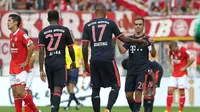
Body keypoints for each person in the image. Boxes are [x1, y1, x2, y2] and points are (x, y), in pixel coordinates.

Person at [82, 3, 148, 112]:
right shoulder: (110, 23)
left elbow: (84, 47)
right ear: (104, 13)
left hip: (94, 60)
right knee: (116, 85)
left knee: (95, 88)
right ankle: (108, 109)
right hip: (107, 58)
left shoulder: (87, 25)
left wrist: (85, 64)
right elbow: (125, 40)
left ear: (95, 13)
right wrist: (138, 41)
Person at [38, 10, 76, 112]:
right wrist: (73, 61)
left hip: (48, 62)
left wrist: (41, 69)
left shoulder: (42, 32)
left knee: (52, 90)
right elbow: (71, 48)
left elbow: (41, 51)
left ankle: (53, 109)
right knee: (58, 89)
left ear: (48, 19)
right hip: (60, 61)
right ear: (59, 19)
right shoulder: (65, 30)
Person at [117, 16, 157, 112]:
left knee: (138, 93)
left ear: (143, 26)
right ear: (134, 26)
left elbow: (153, 54)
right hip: (131, 70)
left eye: (140, 24)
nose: (138, 26)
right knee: (128, 95)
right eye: (136, 24)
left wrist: (152, 44)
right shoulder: (129, 39)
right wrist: (118, 40)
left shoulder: (147, 39)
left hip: (141, 70)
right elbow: (122, 51)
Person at [8, 14, 39, 112]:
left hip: (21, 68)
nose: (7, 22)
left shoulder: (21, 33)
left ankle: (35, 110)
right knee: (15, 93)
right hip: (12, 67)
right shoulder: (11, 35)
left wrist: (26, 61)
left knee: (21, 91)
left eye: (9, 21)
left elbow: (32, 46)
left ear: (16, 23)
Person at [165, 41, 195, 112]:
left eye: (174, 50)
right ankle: (168, 110)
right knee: (170, 90)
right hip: (174, 73)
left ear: (176, 47)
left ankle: (180, 110)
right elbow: (169, 56)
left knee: (181, 91)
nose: (173, 52)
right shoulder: (171, 50)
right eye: (172, 50)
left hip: (182, 74)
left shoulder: (184, 50)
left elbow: (193, 58)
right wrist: (170, 65)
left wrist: (185, 67)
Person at [64, 31, 83, 111]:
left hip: (74, 69)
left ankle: (67, 106)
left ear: (73, 39)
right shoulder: (65, 48)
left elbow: (81, 59)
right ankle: (78, 103)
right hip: (66, 70)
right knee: (69, 89)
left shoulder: (78, 48)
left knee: (71, 87)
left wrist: (84, 70)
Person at [21, 28, 37, 112]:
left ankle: (31, 110)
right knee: (21, 92)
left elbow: (33, 57)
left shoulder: (28, 44)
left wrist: (26, 68)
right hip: (22, 72)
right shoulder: (19, 44)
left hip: (29, 71)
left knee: (26, 91)